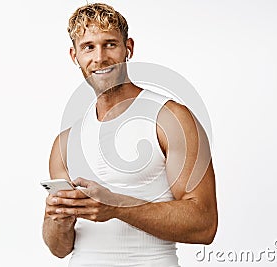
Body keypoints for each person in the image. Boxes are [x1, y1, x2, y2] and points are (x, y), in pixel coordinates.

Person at [42, 3, 218, 266]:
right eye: (88, 47)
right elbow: (59, 248)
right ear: (74, 55)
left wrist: (116, 207)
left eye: (110, 44)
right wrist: (59, 221)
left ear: (129, 48)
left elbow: (204, 224)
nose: (99, 57)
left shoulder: (170, 119)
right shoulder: (65, 143)